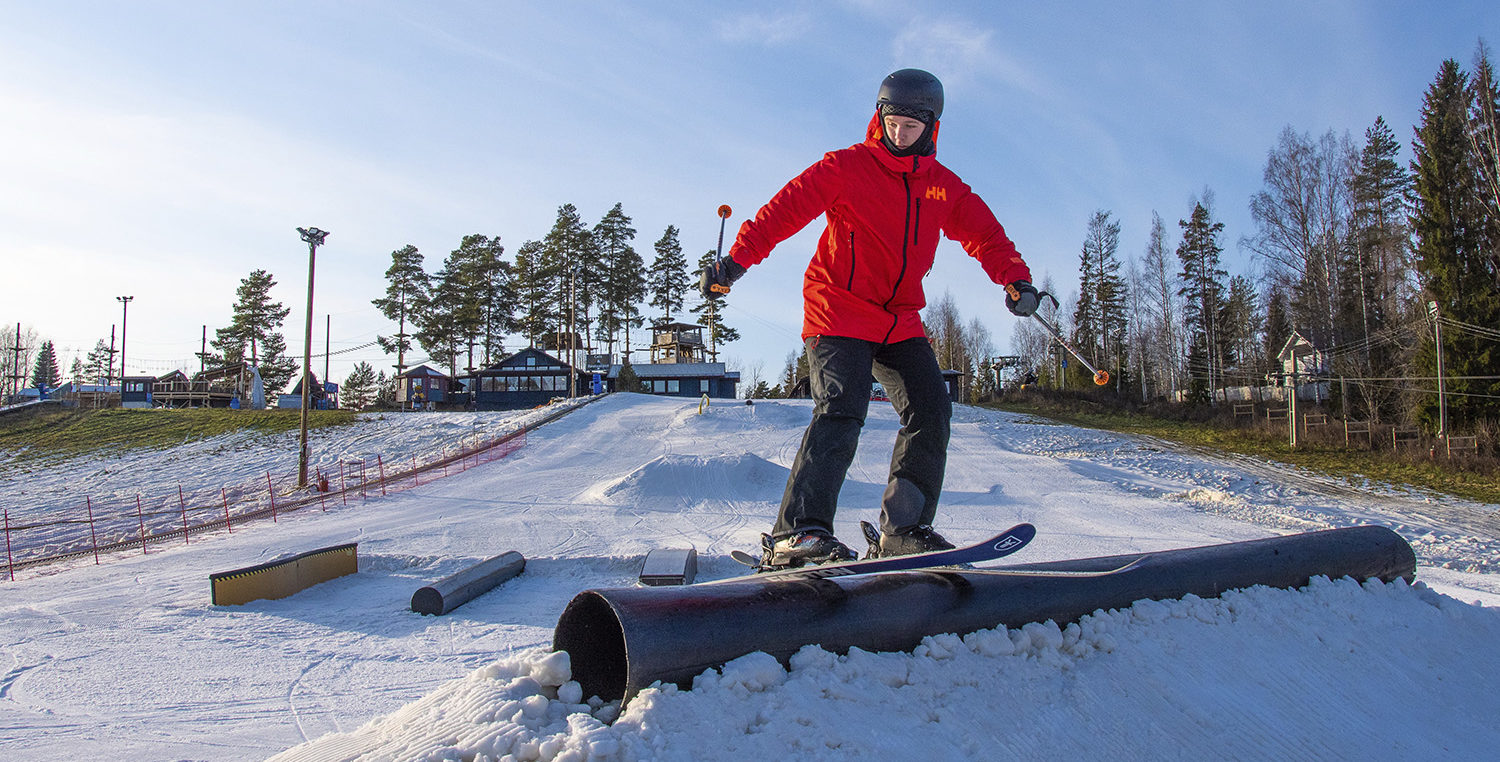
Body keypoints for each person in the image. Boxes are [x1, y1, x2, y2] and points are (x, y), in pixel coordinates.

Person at [700, 68, 1040, 568]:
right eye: (892, 123)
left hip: (897, 318)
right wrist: (736, 261)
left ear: (932, 128)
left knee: (931, 407)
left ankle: (903, 529)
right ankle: (798, 532)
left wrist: (1016, 280)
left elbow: (985, 235)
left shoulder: (943, 188)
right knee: (843, 407)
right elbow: (784, 210)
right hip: (837, 306)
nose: (900, 135)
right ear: (878, 118)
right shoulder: (845, 167)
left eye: (912, 128)